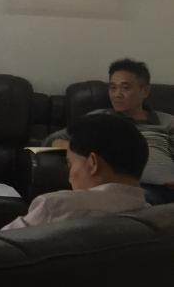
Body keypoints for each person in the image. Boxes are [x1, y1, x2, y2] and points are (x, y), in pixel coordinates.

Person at [45, 58, 174, 206]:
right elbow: (51, 140)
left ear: (145, 91)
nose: (117, 94)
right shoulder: (99, 118)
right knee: (138, 201)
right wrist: (77, 149)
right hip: (127, 187)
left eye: (125, 88)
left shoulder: (167, 121)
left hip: (167, 185)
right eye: (113, 88)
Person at [2, 113, 149, 230]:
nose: (69, 177)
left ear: (93, 163)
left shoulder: (56, 207)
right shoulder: (155, 216)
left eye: (70, 163)